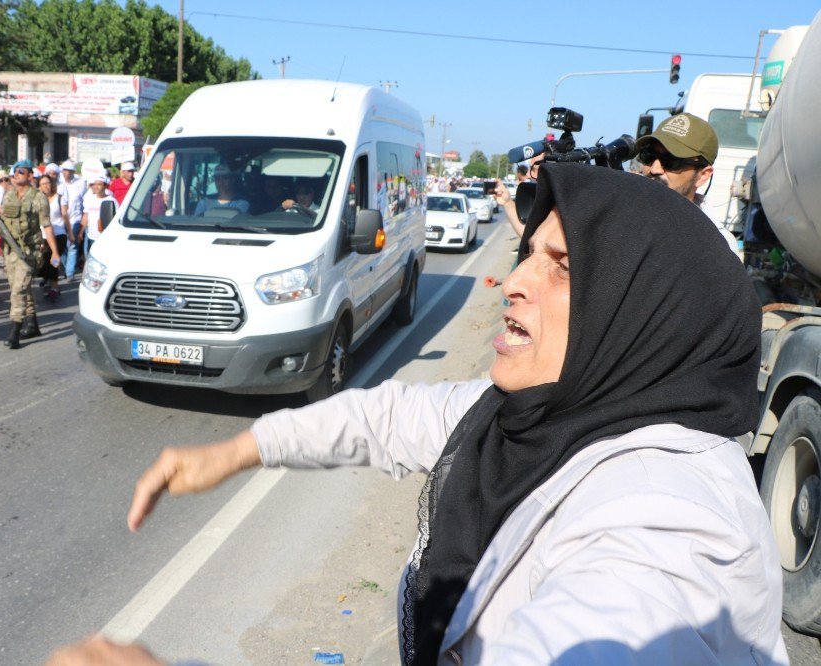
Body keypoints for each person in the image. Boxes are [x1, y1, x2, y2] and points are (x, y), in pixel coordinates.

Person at [54, 164, 788, 664]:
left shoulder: (675, 526)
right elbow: (388, 417)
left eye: (562, 267)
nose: (515, 282)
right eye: (529, 252)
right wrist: (237, 451)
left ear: (645, 316)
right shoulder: (540, 412)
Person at [634, 113, 739, 256]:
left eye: (671, 161)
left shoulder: (719, 244)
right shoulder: (620, 215)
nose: (654, 169)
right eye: (649, 156)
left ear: (703, 175)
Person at [0, 159, 60, 349]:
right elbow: (2, 223)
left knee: (18, 290)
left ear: (30, 175)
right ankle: (32, 325)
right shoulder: (9, 196)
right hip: (9, 251)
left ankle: (14, 331)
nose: (16, 175)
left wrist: (54, 251)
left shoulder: (38, 198)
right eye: (14, 172)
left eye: (20, 172)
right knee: (22, 288)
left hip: (28, 252)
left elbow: (46, 225)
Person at [38, 173, 69, 302]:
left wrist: (71, 234)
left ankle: (54, 288)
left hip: (59, 234)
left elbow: (65, 216)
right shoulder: (38, 200)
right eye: (43, 184)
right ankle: (52, 283)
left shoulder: (59, 198)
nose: (46, 186)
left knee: (53, 261)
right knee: (45, 262)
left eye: (48, 183)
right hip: (44, 236)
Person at [59, 160, 87, 280]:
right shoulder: (59, 184)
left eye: (69, 171)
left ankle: (69, 273)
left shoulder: (80, 184)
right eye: (65, 170)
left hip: (75, 219)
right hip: (60, 220)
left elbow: (85, 199)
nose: (67, 173)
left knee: (72, 245)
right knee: (62, 245)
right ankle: (67, 267)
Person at [78, 175, 117, 256]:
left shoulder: (112, 201)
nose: (96, 187)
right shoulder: (90, 199)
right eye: (94, 184)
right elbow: (86, 216)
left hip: (105, 239)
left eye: (99, 184)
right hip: (91, 237)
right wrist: (81, 232)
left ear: (105, 186)